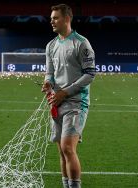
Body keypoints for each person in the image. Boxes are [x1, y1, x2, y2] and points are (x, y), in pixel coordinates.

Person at [41, 4, 96, 188]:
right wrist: (48, 82)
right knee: (61, 152)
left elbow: (89, 74)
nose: (52, 21)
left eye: (55, 17)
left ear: (67, 19)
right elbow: (49, 72)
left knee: (67, 148)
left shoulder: (81, 43)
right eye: (51, 18)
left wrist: (66, 92)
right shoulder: (51, 45)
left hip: (75, 102)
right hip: (57, 102)